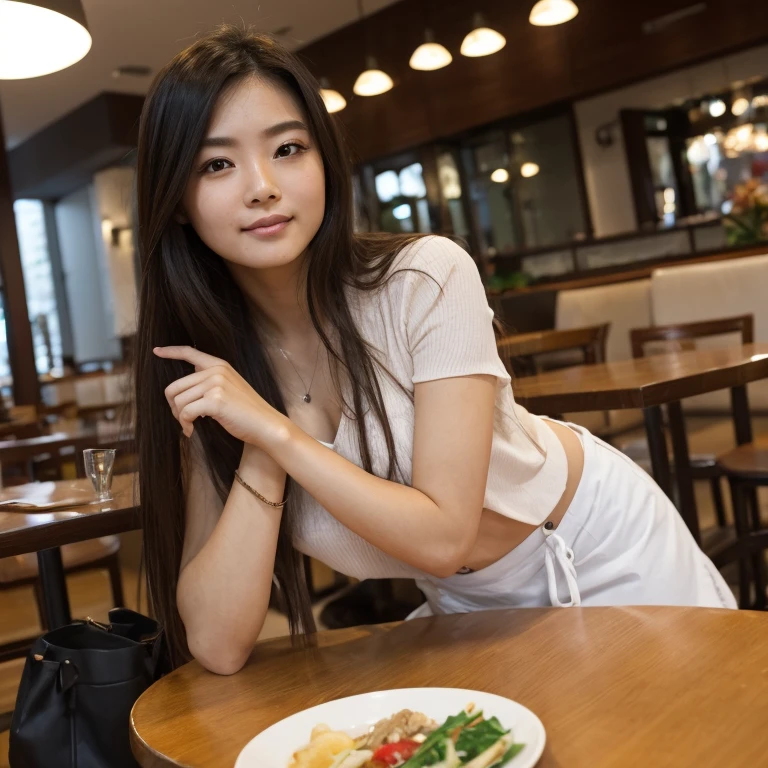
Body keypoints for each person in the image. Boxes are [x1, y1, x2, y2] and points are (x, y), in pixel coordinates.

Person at [134, 25, 735, 675]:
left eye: (287, 148)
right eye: (217, 163)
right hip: (468, 605)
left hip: (598, 549)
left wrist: (279, 435)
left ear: (324, 162)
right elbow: (218, 645)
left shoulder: (422, 277)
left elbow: (445, 534)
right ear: (180, 204)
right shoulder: (215, 372)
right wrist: (260, 447)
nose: (261, 186)